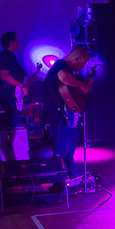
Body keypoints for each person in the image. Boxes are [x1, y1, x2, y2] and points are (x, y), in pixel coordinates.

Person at [43, 46, 93, 176]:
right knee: (61, 150)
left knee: (72, 141)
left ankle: (70, 174)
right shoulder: (60, 66)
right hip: (58, 116)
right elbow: (64, 77)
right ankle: (56, 179)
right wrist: (82, 85)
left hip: (66, 115)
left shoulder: (67, 69)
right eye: (82, 63)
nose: (82, 67)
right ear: (76, 58)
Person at [0, 31, 29, 124]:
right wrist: (22, 86)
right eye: (16, 41)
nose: (18, 43)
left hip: (13, 96)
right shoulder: (5, 56)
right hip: (8, 96)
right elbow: (5, 76)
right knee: (13, 122)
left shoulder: (10, 57)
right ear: (11, 43)